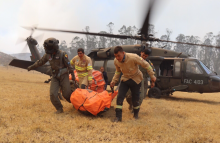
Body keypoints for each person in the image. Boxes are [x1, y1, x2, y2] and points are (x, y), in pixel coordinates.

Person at [27, 37, 74, 114]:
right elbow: (40, 62)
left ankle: (76, 104)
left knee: (67, 94)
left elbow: (69, 65)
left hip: (63, 76)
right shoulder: (47, 55)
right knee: (52, 94)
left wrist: (73, 74)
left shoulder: (63, 54)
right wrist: (31, 67)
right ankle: (59, 108)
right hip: (55, 76)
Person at [110, 46, 156, 122]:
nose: (117, 58)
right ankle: (118, 117)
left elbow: (146, 65)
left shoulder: (133, 57)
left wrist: (152, 76)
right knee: (120, 97)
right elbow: (118, 71)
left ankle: (136, 115)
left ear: (123, 53)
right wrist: (113, 80)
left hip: (136, 79)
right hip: (125, 79)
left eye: (119, 55)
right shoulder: (116, 61)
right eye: (115, 56)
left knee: (135, 99)